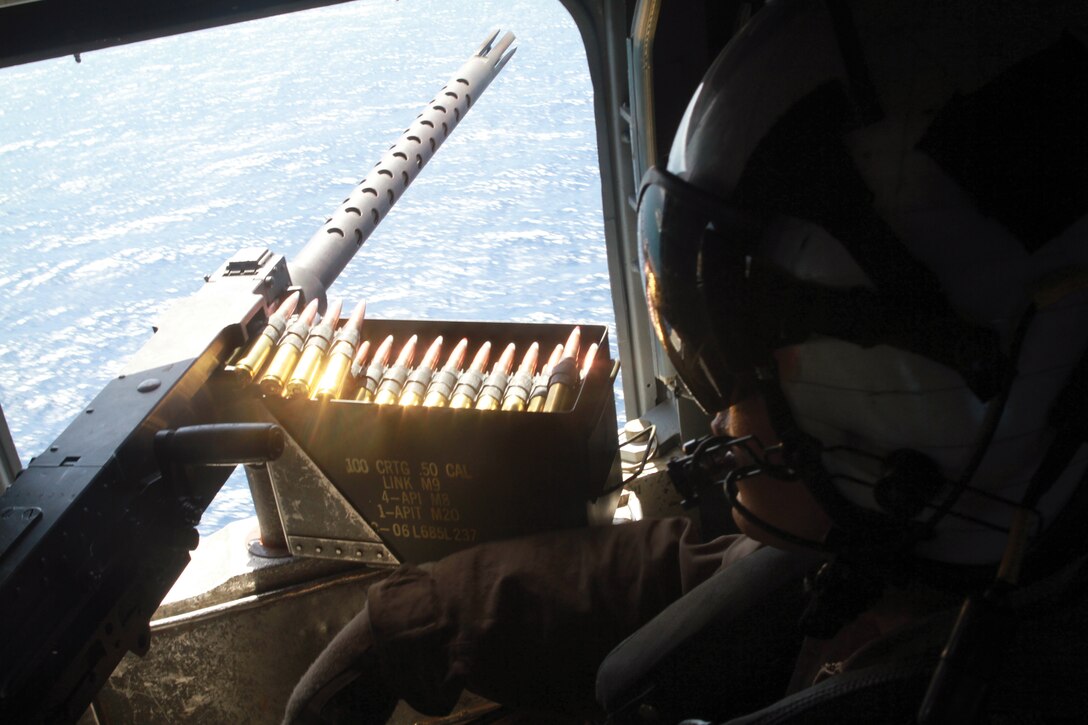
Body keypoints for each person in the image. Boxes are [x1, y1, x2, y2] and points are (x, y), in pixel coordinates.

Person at [285, 1, 1088, 721]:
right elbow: (691, 568)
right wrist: (418, 618)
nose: (724, 413)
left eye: (750, 367)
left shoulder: (981, 655)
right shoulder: (901, 546)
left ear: (930, 399)